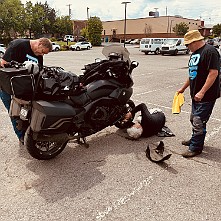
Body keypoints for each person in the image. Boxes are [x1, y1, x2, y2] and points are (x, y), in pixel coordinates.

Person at [0, 37, 52, 144]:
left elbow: (39, 71)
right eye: (42, 52)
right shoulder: (18, 45)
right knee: (14, 112)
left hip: (23, 87)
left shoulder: (38, 55)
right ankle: (21, 136)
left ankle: (30, 133)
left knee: (26, 111)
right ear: (39, 43)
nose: (41, 55)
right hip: (6, 86)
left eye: (44, 54)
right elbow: (3, 63)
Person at [177, 30, 220, 158]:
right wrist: (183, 88)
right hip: (196, 95)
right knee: (194, 119)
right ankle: (195, 139)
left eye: (188, 44)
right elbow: (192, 74)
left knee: (198, 121)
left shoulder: (210, 52)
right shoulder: (195, 53)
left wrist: (202, 92)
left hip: (206, 95)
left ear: (194, 42)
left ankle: (196, 147)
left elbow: (214, 73)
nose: (187, 47)